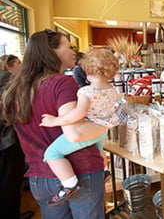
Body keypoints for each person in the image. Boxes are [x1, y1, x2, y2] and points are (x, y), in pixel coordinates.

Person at [2, 29, 108, 218]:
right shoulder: (62, 83)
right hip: (80, 173)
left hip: (40, 177)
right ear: (53, 52)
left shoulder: (17, 89)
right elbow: (74, 134)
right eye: (68, 46)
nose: (73, 51)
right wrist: (108, 123)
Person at [39, 48, 120, 206]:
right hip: (101, 131)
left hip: (87, 131)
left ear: (88, 70)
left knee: (51, 154)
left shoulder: (86, 92)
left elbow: (78, 113)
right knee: (99, 151)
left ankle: (69, 183)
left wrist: (55, 121)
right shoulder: (112, 90)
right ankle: (104, 171)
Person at [0, 55, 34, 219]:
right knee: (10, 182)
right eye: (19, 63)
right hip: (6, 141)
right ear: (9, 66)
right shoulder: (8, 81)